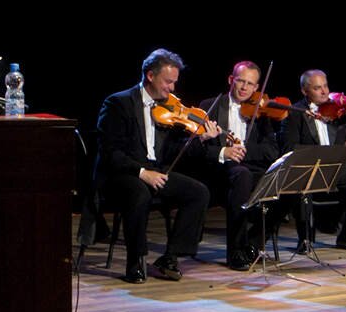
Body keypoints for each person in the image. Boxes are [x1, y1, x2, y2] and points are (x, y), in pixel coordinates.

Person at [94, 49, 215, 283]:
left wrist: (200, 139)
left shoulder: (167, 108)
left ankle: (170, 257)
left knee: (198, 192)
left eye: (174, 82)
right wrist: (142, 173)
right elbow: (110, 152)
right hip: (123, 173)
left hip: (155, 171)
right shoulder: (118, 102)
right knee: (139, 193)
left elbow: (172, 151)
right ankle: (135, 261)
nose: (172, 88)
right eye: (168, 82)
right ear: (150, 75)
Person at [280, 70, 346, 251]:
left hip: (335, 168)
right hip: (309, 169)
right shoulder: (295, 113)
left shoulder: (338, 111)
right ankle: (305, 239)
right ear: (304, 91)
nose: (324, 92)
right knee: (301, 185)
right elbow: (289, 148)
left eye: (325, 86)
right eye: (317, 88)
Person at [199, 61, 283, 271]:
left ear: (257, 87)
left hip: (251, 168)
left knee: (285, 181)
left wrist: (243, 150)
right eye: (240, 81)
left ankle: (254, 244)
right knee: (242, 175)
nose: (245, 87)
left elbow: (271, 151)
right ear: (231, 80)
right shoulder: (210, 105)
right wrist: (224, 151)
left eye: (250, 84)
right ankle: (235, 251)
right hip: (220, 170)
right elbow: (199, 150)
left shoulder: (261, 112)